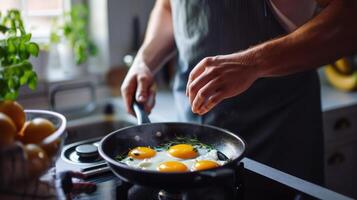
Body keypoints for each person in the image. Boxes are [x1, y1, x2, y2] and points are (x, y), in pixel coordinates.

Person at [121, 0, 357, 185]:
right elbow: (168, 7)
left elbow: (349, 21)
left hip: (278, 139)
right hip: (193, 140)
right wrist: (144, 61)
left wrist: (253, 63)